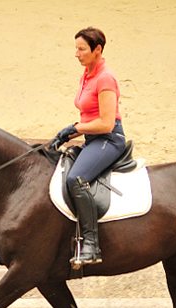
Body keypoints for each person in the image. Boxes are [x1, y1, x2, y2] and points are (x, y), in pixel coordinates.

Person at [53, 27, 127, 267]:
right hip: (92, 139)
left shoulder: (105, 78)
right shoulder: (87, 74)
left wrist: (74, 127)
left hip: (108, 139)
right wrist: (67, 133)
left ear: (98, 50)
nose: (76, 53)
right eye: (76, 48)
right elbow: (89, 117)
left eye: (82, 49)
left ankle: (91, 245)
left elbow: (106, 123)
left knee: (76, 179)